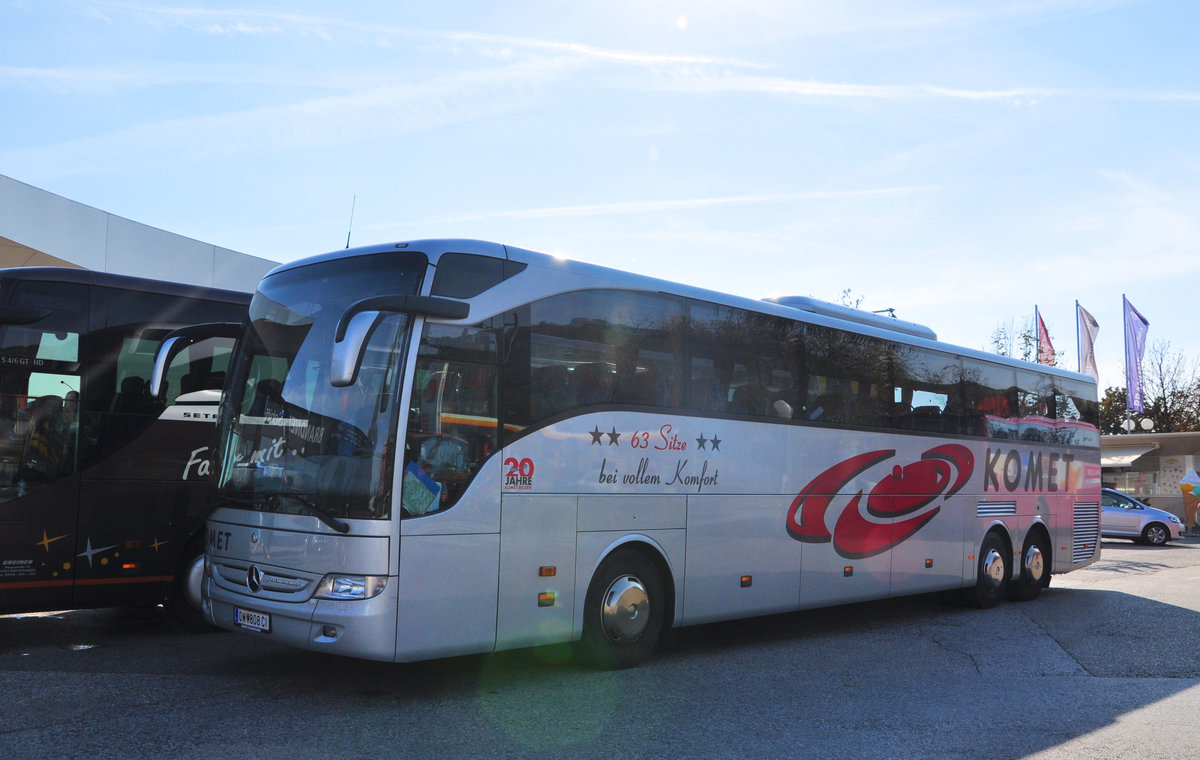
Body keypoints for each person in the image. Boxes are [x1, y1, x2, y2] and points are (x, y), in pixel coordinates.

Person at [1181, 470, 1200, 535]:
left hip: (1193, 492)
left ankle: (1190, 529)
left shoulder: (1186, 482)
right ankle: (1190, 529)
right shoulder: (1196, 484)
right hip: (1194, 492)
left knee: (1190, 511)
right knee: (1190, 512)